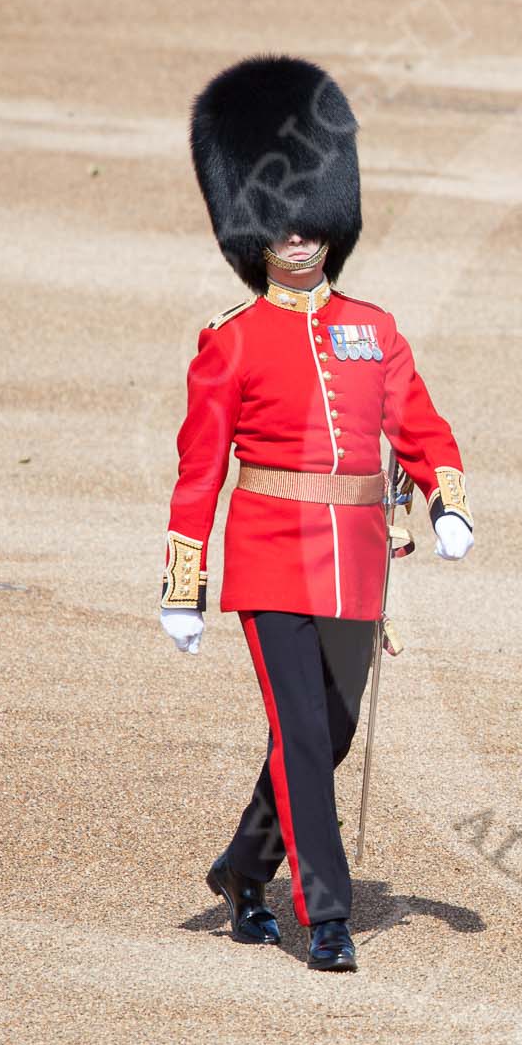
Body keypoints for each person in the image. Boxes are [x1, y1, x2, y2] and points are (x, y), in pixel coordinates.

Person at [161, 56, 476, 972]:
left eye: (313, 221)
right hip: (267, 558)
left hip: (355, 563)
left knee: (327, 736)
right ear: (253, 230)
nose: (301, 238)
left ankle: (243, 868)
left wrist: (447, 494)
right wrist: (186, 581)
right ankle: (325, 912)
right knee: (301, 732)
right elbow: (200, 470)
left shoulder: (373, 327)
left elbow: (418, 422)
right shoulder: (231, 339)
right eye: (282, 224)